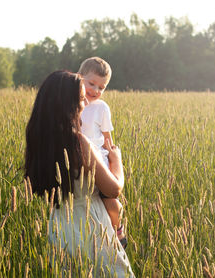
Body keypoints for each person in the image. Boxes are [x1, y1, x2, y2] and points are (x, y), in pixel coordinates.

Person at [24, 70, 134, 277]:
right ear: (67, 104)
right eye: (81, 99)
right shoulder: (78, 143)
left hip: (60, 229)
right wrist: (116, 159)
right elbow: (114, 188)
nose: (85, 105)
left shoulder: (38, 140)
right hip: (92, 227)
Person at [78, 57, 127, 248]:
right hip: (77, 162)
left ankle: (117, 232)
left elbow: (108, 140)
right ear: (79, 78)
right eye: (91, 84)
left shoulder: (102, 108)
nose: (95, 91)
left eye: (102, 88)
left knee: (113, 205)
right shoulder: (72, 103)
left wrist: (114, 161)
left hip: (99, 162)